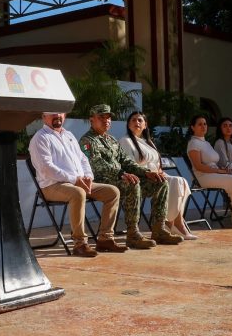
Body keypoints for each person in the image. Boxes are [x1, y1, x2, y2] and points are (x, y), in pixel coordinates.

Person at [79, 105, 183, 249]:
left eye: (108, 117)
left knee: (160, 182)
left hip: (119, 178)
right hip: (101, 181)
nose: (106, 120)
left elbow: (126, 161)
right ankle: (133, 234)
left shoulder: (111, 140)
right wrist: (122, 174)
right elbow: (97, 165)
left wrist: (146, 172)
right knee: (132, 183)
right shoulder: (87, 141)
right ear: (92, 120)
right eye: (101, 117)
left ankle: (158, 229)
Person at [29, 111, 127, 257]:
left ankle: (105, 239)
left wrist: (88, 177)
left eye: (60, 112)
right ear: (43, 116)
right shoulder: (40, 138)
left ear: (64, 115)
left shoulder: (69, 135)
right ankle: (80, 244)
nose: (57, 115)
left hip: (78, 182)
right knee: (78, 193)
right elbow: (46, 168)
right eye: (52, 113)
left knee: (112, 192)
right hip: (51, 186)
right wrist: (75, 180)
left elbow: (83, 158)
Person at [119, 111, 198, 240]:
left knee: (181, 181)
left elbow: (157, 163)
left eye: (140, 120)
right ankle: (173, 223)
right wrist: (150, 172)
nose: (136, 122)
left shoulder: (148, 142)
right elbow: (129, 165)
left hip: (156, 175)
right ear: (128, 125)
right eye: (133, 120)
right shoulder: (125, 141)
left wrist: (159, 171)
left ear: (145, 125)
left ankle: (173, 222)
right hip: (141, 178)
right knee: (174, 181)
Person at [186, 115, 232, 228]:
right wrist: (219, 171)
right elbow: (199, 166)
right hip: (203, 176)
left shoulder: (206, 143)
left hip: (214, 173)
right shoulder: (193, 143)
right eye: (199, 124)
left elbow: (214, 162)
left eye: (205, 124)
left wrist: (221, 170)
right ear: (192, 127)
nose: (203, 126)